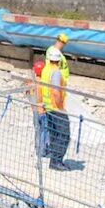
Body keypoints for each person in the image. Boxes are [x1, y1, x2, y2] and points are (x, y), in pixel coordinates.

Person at [41, 33, 74, 170]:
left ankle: (54, 160)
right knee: (64, 134)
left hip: (48, 106)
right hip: (55, 107)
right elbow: (55, 92)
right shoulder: (55, 72)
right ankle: (57, 161)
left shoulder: (46, 69)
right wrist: (61, 107)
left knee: (54, 133)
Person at [30, 54, 49, 158]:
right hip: (43, 111)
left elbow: (29, 94)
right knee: (44, 131)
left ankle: (37, 149)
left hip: (34, 110)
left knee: (37, 130)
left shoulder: (32, 83)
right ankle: (43, 150)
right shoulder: (44, 83)